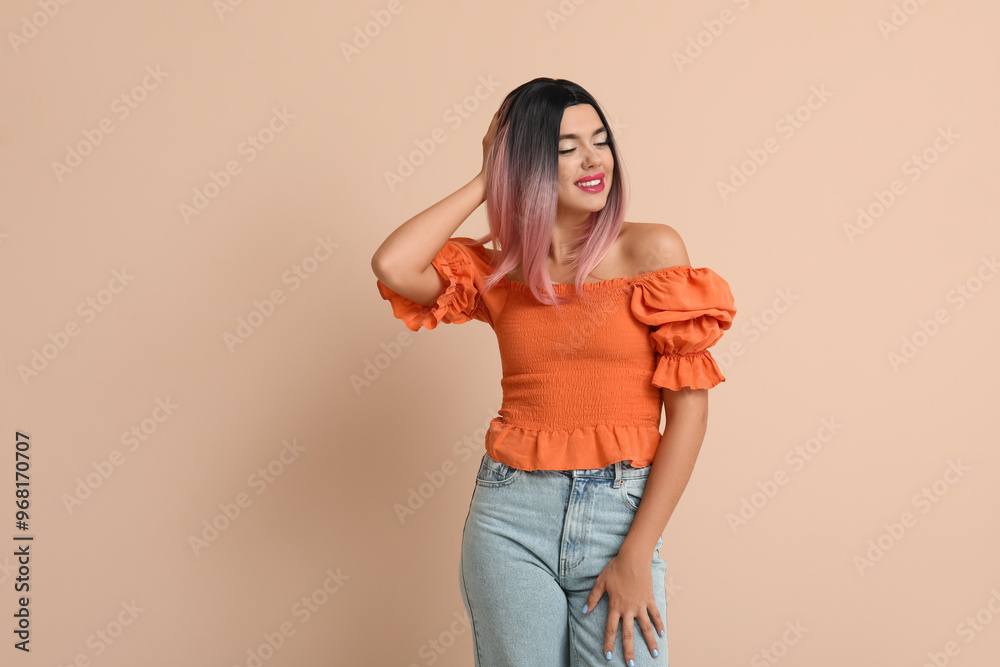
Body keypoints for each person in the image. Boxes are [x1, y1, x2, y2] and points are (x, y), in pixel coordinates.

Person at [371, 77, 737, 666]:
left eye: (600, 140)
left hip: (620, 512)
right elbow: (393, 264)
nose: (594, 160)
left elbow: (690, 410)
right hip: (510, 516)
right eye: (565, 148)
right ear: (527, 164)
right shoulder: (499, 271)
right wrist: (489, 176)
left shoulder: (653, 252)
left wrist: (636, 554)